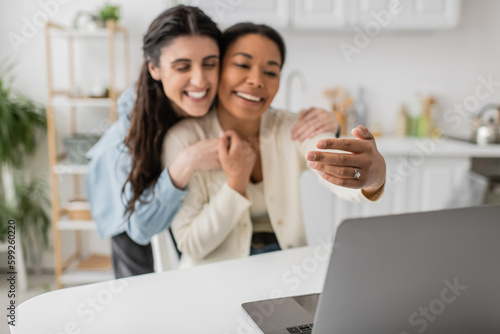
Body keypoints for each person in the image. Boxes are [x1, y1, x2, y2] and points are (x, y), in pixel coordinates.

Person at [86, 7, 340, 278]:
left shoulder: (214, 96)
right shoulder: (130, 131)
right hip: (124, 196)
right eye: (182, 66)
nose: (200, 80)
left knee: (190, 257)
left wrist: (327, 124)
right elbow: (142, 229)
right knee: (136, 282)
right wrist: (183, 163)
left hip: (179, 193)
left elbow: (263, 112)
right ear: (154, 68)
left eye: (210, 63)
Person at [163, 23, 386, 268]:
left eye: (271, 72)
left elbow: (328, 161)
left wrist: (372, 180)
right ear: (217, 70)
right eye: (242, 65)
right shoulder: (184, 138)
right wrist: (236, 182)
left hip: (286, 268)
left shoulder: (293, 127)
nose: (257, 80)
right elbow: (191, 244)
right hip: (213, 277)